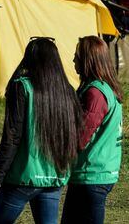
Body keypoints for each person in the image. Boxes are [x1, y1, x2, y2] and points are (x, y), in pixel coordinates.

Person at [0, 37, 83, 224]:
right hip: (55, 176)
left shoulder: (22, 86)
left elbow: (12, 136)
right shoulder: (67, 90)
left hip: (23, 177)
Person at [61, 36, 123, 224]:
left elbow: (82, 134)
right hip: (96, 172)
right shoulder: (104, 87)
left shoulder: (95, 92)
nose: (73, 60)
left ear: (87, 60)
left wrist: (57, 154)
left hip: (92, 175)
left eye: (77, 56)